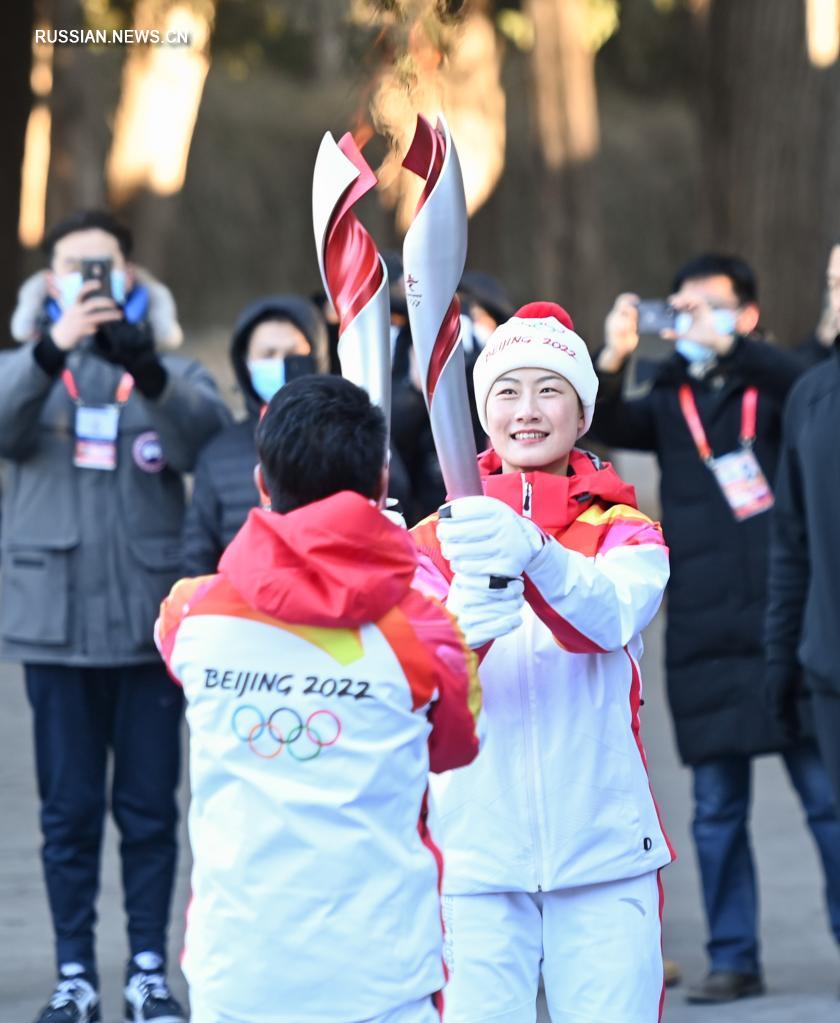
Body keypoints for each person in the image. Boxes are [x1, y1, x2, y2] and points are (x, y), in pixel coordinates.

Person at [156, 375, 485, 1023]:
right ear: (383, 485)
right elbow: (452, 748)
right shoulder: (425, 631)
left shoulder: (189, 613)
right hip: (379, 971)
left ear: (260, 482)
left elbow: (187, 639)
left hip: (236, 972)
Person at [411, 302, 673, 1023]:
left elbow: (608, 618)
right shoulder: (435, 537)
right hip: (472, 856)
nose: (528, 410)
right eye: (507, 391)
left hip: (604, 853)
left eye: (549, 389)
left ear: (582, 411)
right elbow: (413, 678)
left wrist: (532, 551)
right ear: (480, 413)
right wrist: (463, 626)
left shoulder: (626, 529)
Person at [0, 209, 230, 1023]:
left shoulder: (166, 367)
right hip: (55, 629)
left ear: (130, 278)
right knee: (66, 812)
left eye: (104, 268)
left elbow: (211, 442)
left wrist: (154, 371)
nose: (90, 280)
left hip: (145, 627)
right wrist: (51, 349)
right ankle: (72, 973)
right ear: (50, 278)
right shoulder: (25, 365)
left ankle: (145, 972)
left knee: (148, 810)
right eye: (74, 267)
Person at [591, 253, 840, 1003]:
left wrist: (737, 352)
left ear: (748, 314)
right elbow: (603, 418)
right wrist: (617, 355)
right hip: (703, 624)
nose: (694, 318)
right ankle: (734, 954)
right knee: (715, 808)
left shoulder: (784, 382)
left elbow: (808, 376)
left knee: (826, 797)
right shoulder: (669, 396)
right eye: (683, 306)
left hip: (784, 616)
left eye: (712, 305)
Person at [766, 244, 840, 816]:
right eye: (835, 282)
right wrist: (781, 663)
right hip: (831, 671)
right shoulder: (812, 397)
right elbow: (790, 546)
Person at [181, 294, 330, 576]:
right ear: (245, 364)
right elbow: (197, 558)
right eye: (268, 354)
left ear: (316, 358)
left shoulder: (346, 435)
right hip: (242, 611)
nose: (280, 363)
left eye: (292, 354)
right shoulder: (218, 455)